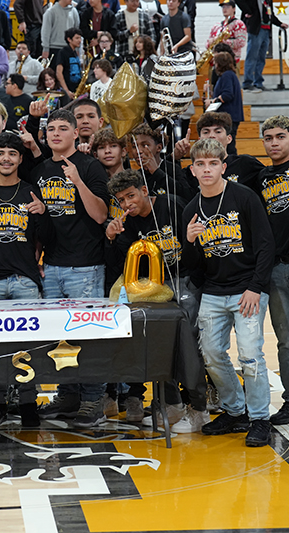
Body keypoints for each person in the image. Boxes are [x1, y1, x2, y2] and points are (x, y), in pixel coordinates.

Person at [182, 138, 274, 447]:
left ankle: (260, 418)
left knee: (250, 355)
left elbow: (265, 245)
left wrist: (255, 287)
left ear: (223, 166)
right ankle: (236, 411)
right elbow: (193, 266)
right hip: (213, 292)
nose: (206, 169)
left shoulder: (244, 197)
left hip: (247, 290)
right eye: (200, 164)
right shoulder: (192, 209)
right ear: (193, 170)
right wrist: (190, 243)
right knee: (211, 355)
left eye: (212, 164)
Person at [105, 170, 209, 432]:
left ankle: (198, 407)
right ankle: (172, 404)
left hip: (185, 279)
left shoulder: (171, 204)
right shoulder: (126, 223)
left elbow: (196, 245)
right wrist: (112, 239)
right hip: (156, 288)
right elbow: (123, 265)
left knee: (189, 344)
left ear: (144, 190)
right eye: (121, 199)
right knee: (162, 345)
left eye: (131, 195)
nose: (128, 203)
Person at [31, 109, 111, 428]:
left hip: (86, 266)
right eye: (51, 129)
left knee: (87, 336)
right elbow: (41, 224)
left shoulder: (91, 166)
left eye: (63, 128)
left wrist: (77, 181)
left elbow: (101, 215)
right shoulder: (40, 170)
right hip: (52, 264)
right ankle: (68, 395)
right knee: (59, 338)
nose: (56, 133)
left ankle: (93, 398)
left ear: (76, 134)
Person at [0, 132, 54, 427]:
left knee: (27, 345)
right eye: (0, 153)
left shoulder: (32, 192)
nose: (6, 158)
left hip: (25, 280)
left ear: (20, 158)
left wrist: (43, 213)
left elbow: (46, 239)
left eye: (12, 154)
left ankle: (29, 402)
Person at [236, 0, 287, 92]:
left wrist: (280, 23)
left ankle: (258, 83)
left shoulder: (268, 1)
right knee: (252, 57)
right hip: (256, 30)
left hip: (266, 30)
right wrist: (248, 11)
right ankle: (248, 83)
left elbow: (271, 15)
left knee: (261, 58)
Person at [205, 52, 243, 155]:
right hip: (231, 115)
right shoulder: (230, 75)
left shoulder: (227, 75)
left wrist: (212, 101)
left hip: (229, 116)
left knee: (229, 145)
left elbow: (227, 94)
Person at [56, 28, 84, 100]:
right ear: (69, 39)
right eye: (77, 38)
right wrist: (67, 91)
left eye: (80, 38)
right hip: (68, 90)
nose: (79, 41)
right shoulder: (63, 52)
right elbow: (59, 73)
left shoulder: (75, 53)